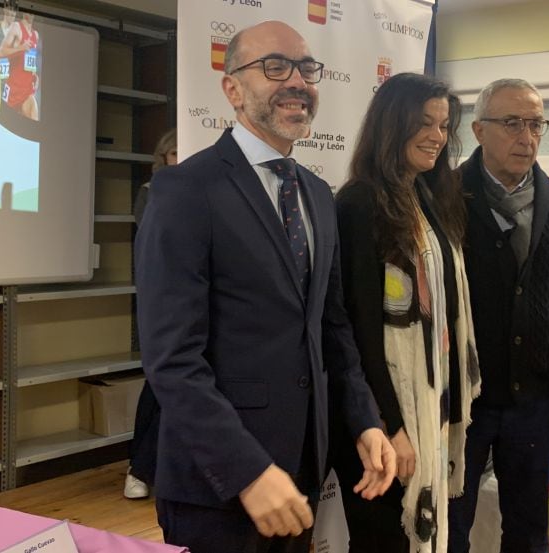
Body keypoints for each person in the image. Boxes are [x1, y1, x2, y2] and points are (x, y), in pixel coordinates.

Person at [135, 21, 396, 553]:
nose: (296, 81)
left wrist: (366, 422)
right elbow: (172, 360)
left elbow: (331, 328)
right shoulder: (186, 190)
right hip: (219, 482)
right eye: (274, 67)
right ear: (232, 88)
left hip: (302, 466)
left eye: (306, 69)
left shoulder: (320, 195)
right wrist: (248, 471)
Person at [447, 78, 549, 553]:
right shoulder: (443, 197)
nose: (527, 136)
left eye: (536, 124)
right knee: (450, 528)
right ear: (478, 130)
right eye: (512, 123)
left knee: (528, 528)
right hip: (459, 402)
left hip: (536, 399)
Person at [330, 72, 479, 553]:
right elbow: (358, 331)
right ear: (392, 126)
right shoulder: (359, 203)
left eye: (443, 125)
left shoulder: (426, 197)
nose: (437, 136)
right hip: (381, 421)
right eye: (425, 123)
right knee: (381, 542)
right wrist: (391, 425)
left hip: (425, 408)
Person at [123, 128, 177, 500]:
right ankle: (138, 468)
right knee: (158, 387)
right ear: (163, 156)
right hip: (161, 302)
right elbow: (157, 241)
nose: (179, 158)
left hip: (190, 306)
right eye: (174, 152)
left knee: (163, 390)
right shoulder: (150, 193)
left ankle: (143, 467)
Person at [0, 11, 39, 120]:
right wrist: (21, 48)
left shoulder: (35, 35)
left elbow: (30, 61)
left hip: (27, 89)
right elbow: (1, 52)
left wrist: (35, 75)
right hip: (13, 89)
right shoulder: (16, 27)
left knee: (33, 120)